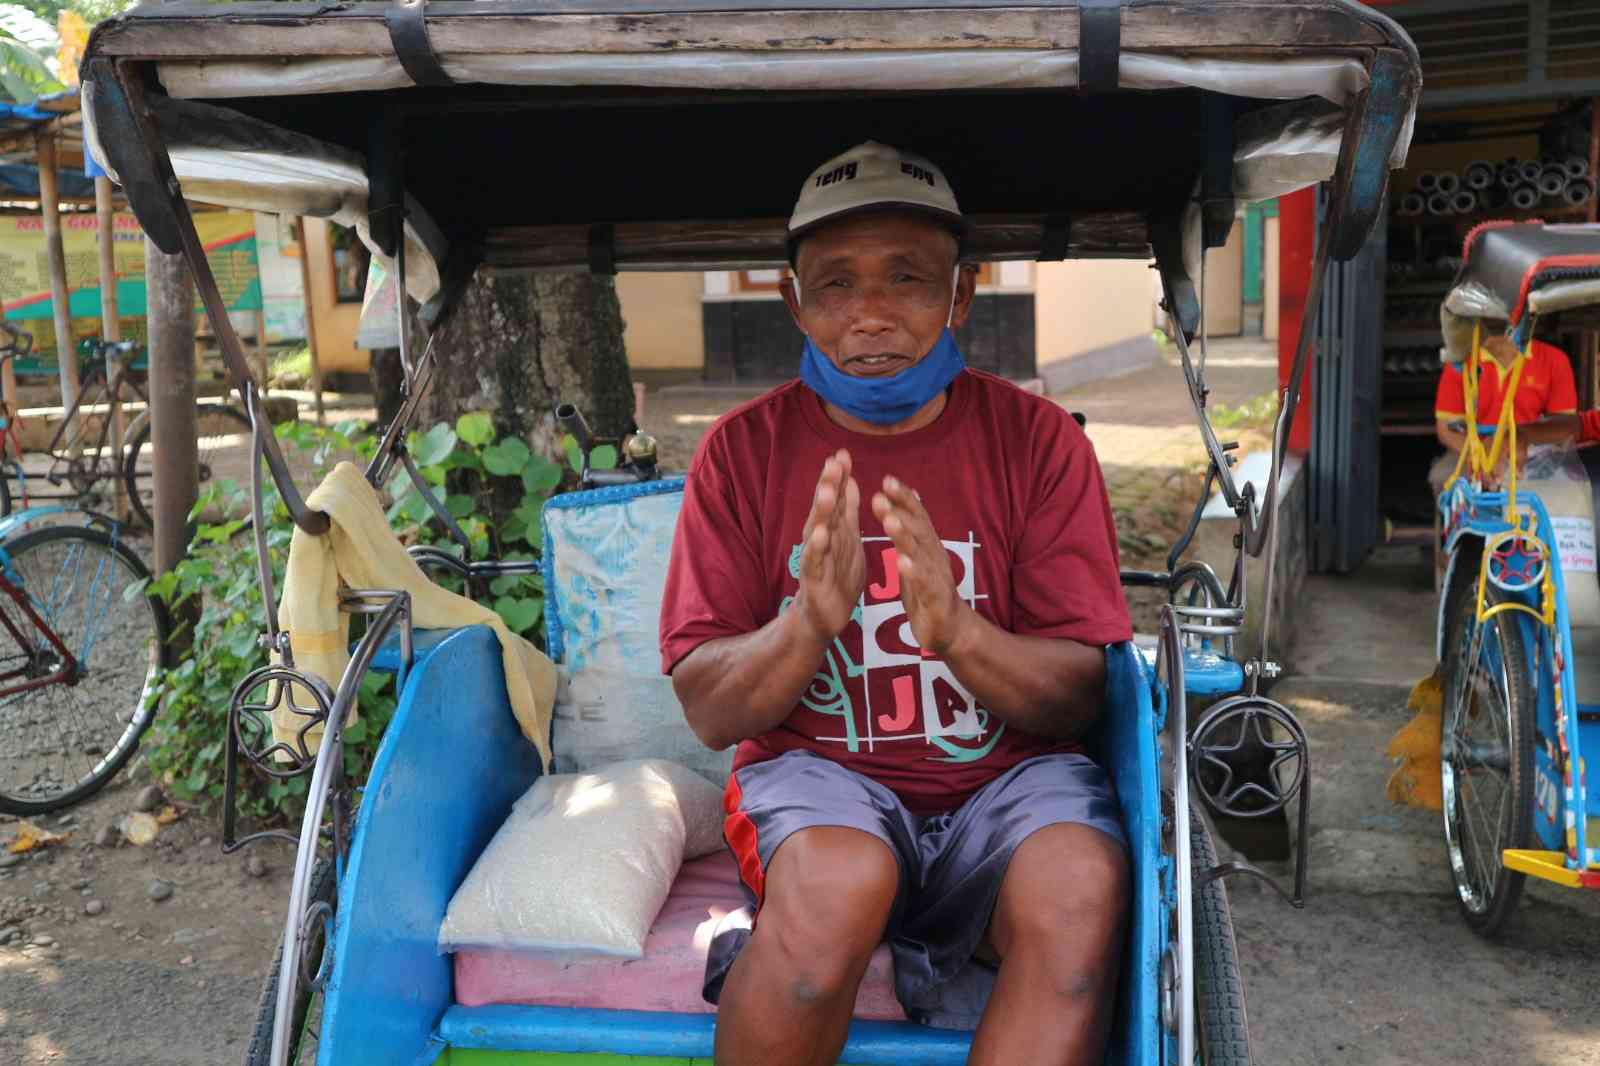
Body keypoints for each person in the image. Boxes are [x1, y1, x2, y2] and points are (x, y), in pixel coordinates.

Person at [659, 141, 1132, 1066]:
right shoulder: (740, 453)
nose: (870, 314)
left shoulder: (1038, 443)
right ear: (792, 304)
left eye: (907, 279)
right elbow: (711, 712)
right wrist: (806, 624)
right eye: (834, 285)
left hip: (1011, 783)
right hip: (818, 782)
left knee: (1079, 888)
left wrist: (957, 631)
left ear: (960, 295)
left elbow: (1080, 695)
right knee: (838, 882)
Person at [1431, 320, 1576, 492]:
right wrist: (1482, 457)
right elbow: (1446, 429)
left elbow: (1564, 427)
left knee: (1569, 489)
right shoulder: (1460, 361)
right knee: (1442, 478)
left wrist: (1511, 444)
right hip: (1472, 449)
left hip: (1531, 450)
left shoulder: (1554, 359)